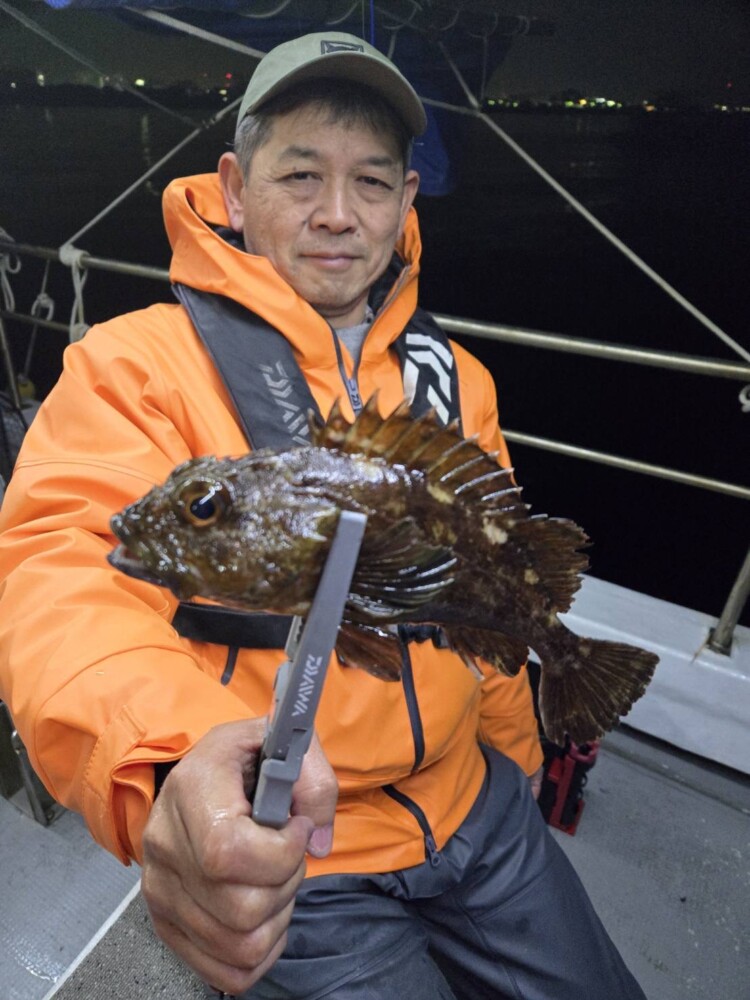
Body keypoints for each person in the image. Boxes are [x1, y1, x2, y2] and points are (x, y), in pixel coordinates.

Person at [0, 32, 647, 1000]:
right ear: (232, 186)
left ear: (406, 202)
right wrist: (172, 763)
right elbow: (62, 569)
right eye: (299, 174)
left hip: (477, 806)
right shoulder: (134, 364)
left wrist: (513, 762)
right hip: (304, 845)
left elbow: (492, 586)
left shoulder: (457, 378)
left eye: (373, 183)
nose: (337, 215)